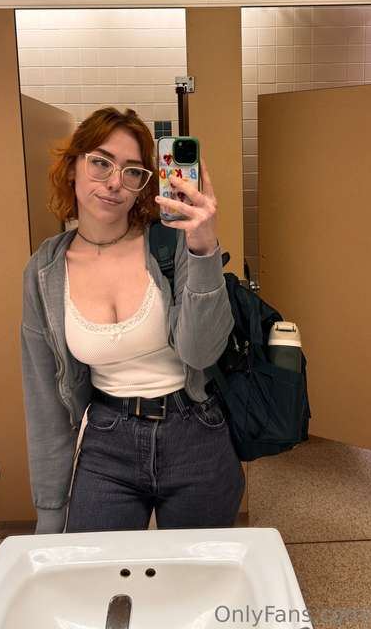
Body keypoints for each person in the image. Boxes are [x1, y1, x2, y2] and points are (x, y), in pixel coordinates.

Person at [21, 106, 245, 534]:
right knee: (98, 567)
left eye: (132, 171)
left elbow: (200, 352)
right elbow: (44, 399)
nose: (114, 183)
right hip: (108, 438)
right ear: (73, 166)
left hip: (195, 430)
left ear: (145, 183)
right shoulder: (45, 270)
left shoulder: (170, 243)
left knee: (193, 570)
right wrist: (50, 510)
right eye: (101, 162)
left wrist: (203, 248)